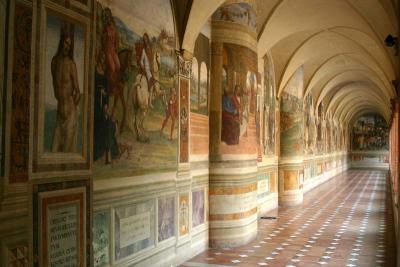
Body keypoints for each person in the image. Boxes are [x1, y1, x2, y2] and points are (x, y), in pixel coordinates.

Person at [51, 22, 80, 152]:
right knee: (53, 151)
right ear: (61, 42)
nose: (67, 47)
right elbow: (55, 87)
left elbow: (77, 91)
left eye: (69, 44)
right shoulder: (54, 62)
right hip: (59, 115)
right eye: (65, 43)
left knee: (66, 154)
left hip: (70, 115)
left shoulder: (71, 65)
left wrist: (71, 106)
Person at [102, 8, 120, 96]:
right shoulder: (105, 28)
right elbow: (103, 40)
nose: (107, 19)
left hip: (113, 50)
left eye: (108, 17)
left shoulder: (114, 27)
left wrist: (116, 46)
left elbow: (117, 38)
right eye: (106, 17)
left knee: (118, 65)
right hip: (107, 49)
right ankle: (110, 88)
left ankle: (115, 85)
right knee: (112, 67)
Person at [136, 33, 157, 108]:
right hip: (146, 69)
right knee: (151, 83)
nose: (145, 41)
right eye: (144, 40)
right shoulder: (144, 50)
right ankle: (149, 102)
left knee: (153, 84)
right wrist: (143, 67)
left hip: (150, 69)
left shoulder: (151, 50)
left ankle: (150, 101)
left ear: (148, 40)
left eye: (146, 39)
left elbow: (152, 60)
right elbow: (141, 60)